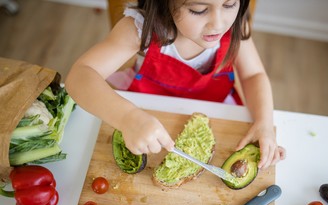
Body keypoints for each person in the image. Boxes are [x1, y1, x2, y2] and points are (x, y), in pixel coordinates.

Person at [65, 0, 286, 170]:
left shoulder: (235, 25)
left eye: (229, 4)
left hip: (214, 106)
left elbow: (253, 75)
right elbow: (80, 76)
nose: (219, 23)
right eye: (199, 10)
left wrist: (265, 122)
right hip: (145, 115)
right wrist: (127, 117)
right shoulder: (140, 28)